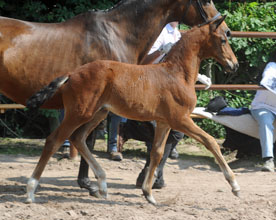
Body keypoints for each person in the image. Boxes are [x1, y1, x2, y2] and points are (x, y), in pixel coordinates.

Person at [118, 22, 212, 188]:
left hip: (166, 88)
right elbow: (142, 61)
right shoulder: (159, 32)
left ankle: (151, 173)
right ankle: (151, 173)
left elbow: (179, 65)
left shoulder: (176, 33)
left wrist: (198, 76)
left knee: (175, 132)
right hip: (149, 86)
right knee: (161, 131)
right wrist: (161, 50)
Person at [250, 50, 276, 172]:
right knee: (265, 122)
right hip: (263, 106)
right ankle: (268, 160)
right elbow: (268, 81)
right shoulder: (271, 66)